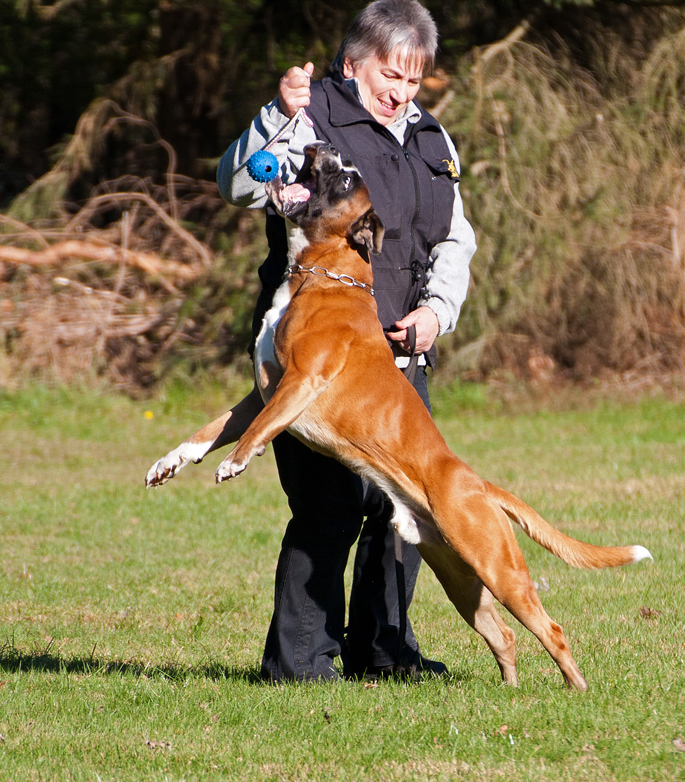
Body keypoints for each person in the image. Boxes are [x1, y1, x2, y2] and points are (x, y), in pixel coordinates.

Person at [217, 0, 475, 682]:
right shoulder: (313, 120)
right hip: (320, 349)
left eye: (414, 81)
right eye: (391, 75)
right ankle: (298, 663)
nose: (401, 92)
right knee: (329, 508)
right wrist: (276, 116)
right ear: (352, 63)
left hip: (397, 354)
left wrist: (436, 313)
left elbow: (454, 239)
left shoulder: (432, 140)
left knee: (407, 510)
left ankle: (384, 653)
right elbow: (239, 184)